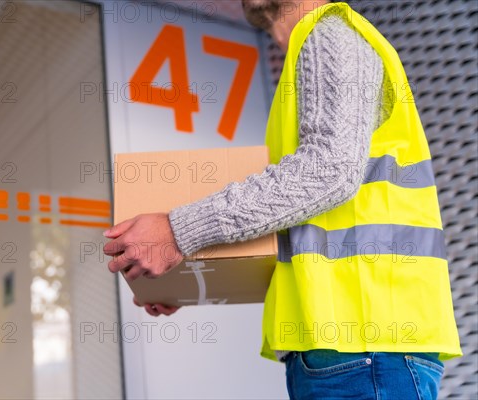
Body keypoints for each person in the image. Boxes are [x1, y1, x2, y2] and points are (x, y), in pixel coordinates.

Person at [103, 1, 462, 398]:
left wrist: (178, 230)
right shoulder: (308, 55)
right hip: (344, 348)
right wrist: (188, 277)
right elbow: (308, 227)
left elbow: (327, 172)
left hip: (367, 346)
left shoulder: (330, 34)